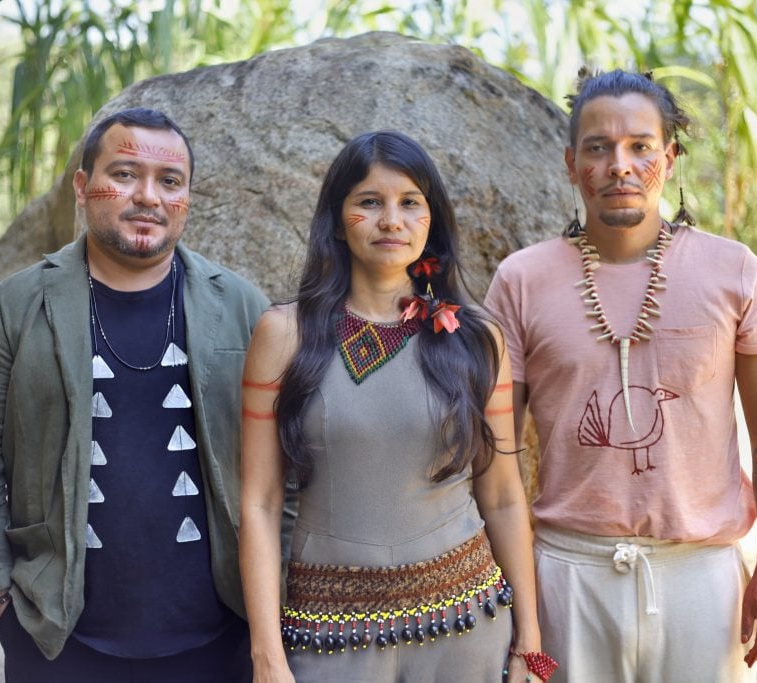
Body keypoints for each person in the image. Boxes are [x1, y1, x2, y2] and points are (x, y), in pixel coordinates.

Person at [485, 69, 757, 681]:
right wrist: (523, 607)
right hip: (568, 577)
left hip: (701, 581)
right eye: (598, 148)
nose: (619, 165)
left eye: (640, 146)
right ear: (573, 165)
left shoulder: (733, 272)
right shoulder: (521, 281)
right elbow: (496, 447)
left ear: (669, 158)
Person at [0, 108, 269, 681]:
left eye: (170, 181)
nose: (148, 196)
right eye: (123, 174)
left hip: (223, 633)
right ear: (81, 187)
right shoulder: (11, 308)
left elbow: (281, 463)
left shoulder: (242, 306)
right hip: (58, 639)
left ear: (187, 197)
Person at [238, 131, 555, 683]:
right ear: (337, 220)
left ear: (432, 220)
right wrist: (266, 654)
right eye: (369, 202)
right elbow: (261, 505)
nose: (391, 220)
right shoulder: (283, 335)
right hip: (328, 636)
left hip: (466, 627)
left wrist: (528, 639)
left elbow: (503, 496)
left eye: (410, 203)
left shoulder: (478, 338)